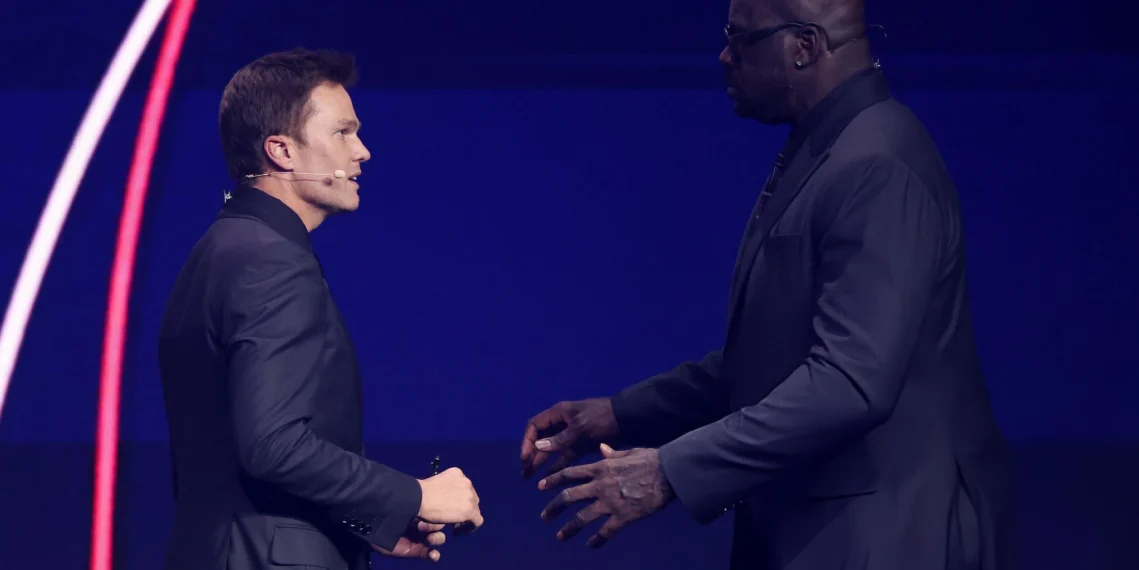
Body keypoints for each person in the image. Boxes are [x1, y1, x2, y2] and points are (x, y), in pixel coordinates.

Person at [520, 0, 1018, 568]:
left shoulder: (877, 165)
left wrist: (668, 470)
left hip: (886, 536)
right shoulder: (830, 149)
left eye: (741, 39)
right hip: (820, 525)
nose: (725, 56)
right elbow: (775, 359)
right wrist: (620, 414)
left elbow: (848, 383)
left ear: (803, 46)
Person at [157, 48, 483, 570]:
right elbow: (272, 445)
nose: (363, 152)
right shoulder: (270, 260)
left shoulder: (224, 248)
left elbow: (236, 459)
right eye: (343, 133)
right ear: (282, 151)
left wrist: (366, 520)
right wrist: (415, 496)